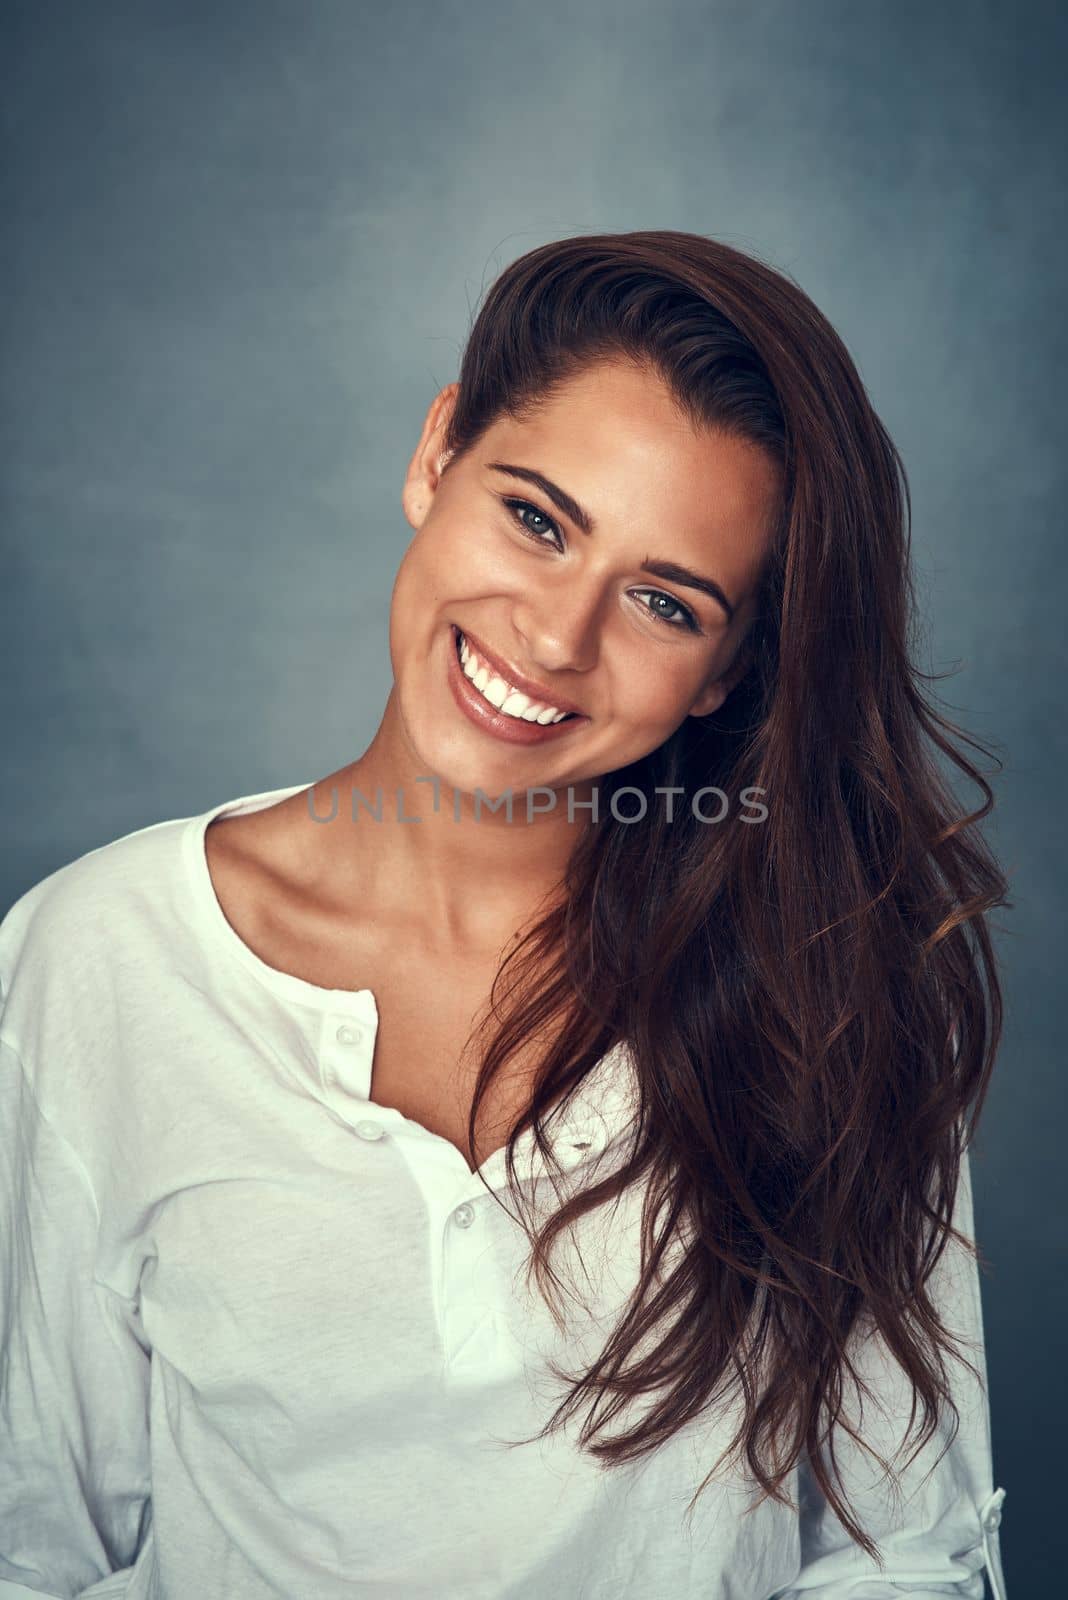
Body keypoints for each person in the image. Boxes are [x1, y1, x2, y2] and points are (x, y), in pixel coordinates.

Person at [0, 230, 1010, 1600]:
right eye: (537, 519)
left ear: (725, 673)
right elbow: (35, 1544)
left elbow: (908, 1552)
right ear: (436, 457)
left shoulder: (827, 982)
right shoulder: (99, 958)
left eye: (663, 601)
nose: (552, 638)